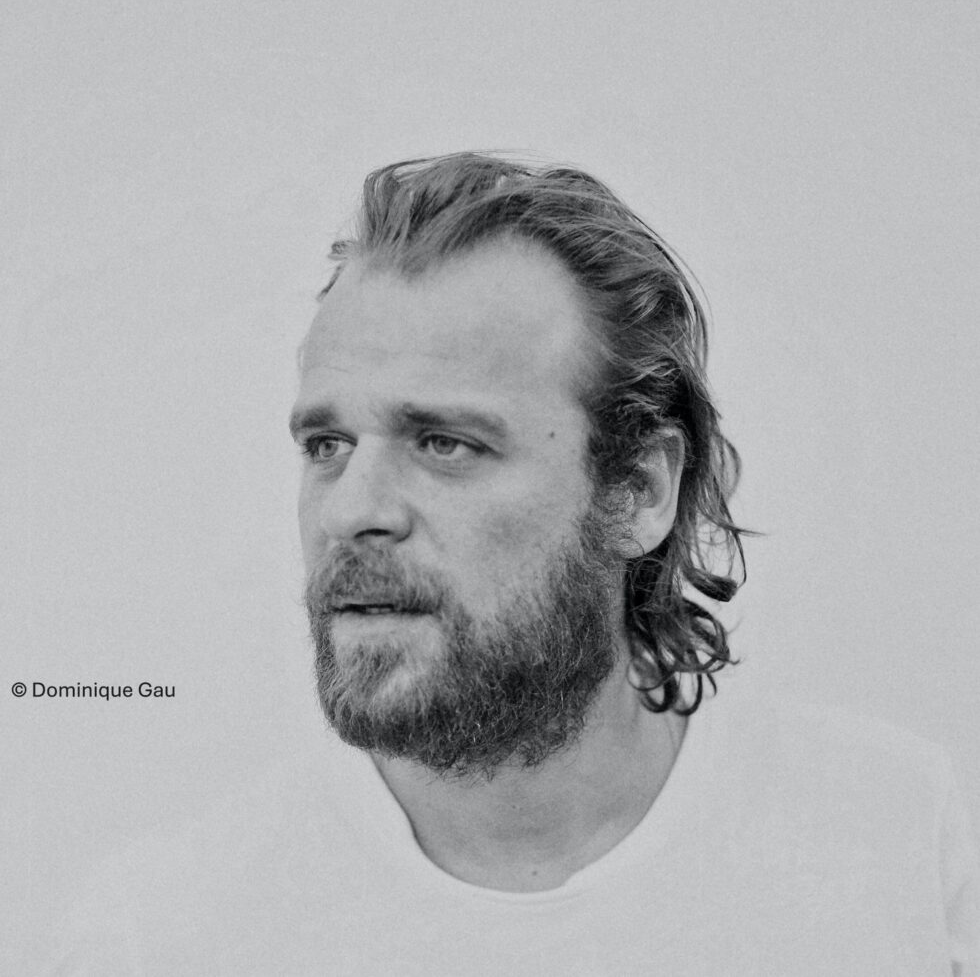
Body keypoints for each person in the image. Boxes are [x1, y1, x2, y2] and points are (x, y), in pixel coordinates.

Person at [52, 153, 978, 975]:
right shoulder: (161, 936)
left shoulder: (897, 846)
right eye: (327, 445)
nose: (351, 511)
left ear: (638, 491)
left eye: (445, 443)